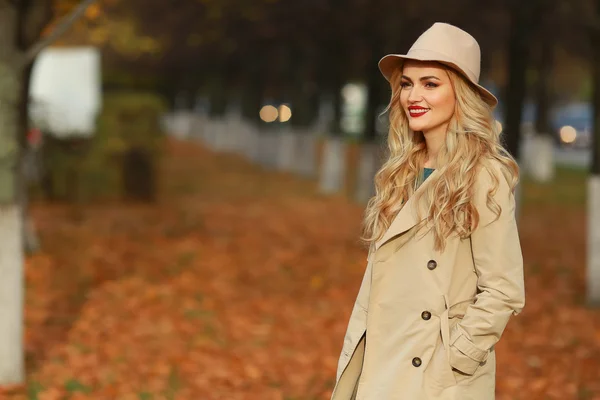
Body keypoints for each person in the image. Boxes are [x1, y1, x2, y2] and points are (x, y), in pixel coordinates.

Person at [330, 22, 525, 400]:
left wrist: (457, 358)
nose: (413, 96)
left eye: (430, 83)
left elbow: (503, 289)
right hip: (384, 360)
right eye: (407, 83)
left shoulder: (482, 173)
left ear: (461, 94)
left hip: (434, 378)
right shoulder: (402, 170)